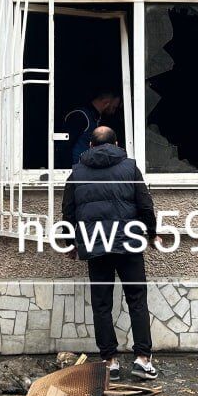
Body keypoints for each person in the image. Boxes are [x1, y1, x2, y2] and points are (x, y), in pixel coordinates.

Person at [61, 125, 158, 381]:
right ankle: (142, 359)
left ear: (90, 145)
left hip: (96, 244)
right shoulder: (129, 167)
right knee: (136, 299)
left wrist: (71, 242)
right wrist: (151, 233)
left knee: (102, 304)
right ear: (116, 144)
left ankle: (110, 362)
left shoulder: (78, 171)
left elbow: (68, 211)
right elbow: (145, 204)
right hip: (128, 243)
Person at [63, 88, 122, 169]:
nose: (113, 112)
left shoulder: (96, 118)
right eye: (113, 107)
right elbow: (65, 146)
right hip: (75, 170)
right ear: (106, 103)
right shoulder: (80, 116)